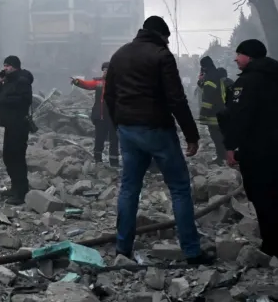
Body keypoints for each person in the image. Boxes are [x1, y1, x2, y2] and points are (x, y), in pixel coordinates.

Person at [105, 16, 213, 264]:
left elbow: (109, 96)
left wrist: (118, 124)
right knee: (179, 188)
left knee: (129, 188)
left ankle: (122, 248)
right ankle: (192, 251)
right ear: (162, 35)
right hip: (157, 129)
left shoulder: (119, 55)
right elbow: (176, 98)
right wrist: (191, 135)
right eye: (167, 38)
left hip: (128, 130)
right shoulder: (161, 55)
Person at [218, 39, 278, 260]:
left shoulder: (247, 82)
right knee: (273, 193)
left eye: (238, 54)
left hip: (255, 146)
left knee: (260, 195)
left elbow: (238, 117)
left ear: (249, 56)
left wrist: (229, 146)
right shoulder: (277, 80)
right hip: (276, 143)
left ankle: (272, 246)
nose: (235, 59)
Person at [0, 55, 35, 205]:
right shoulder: (8, 80)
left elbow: (25, 100)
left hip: (19, 125)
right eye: (4, 65)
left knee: (17, 158)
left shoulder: (22, 80)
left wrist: (5, 99)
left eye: (8, 66)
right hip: (10, 125)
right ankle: (15, 187)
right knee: (8, 157)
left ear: (15, 66)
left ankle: (21, 193)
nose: (5, 68)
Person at [71, 62, 119, 167]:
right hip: (100, 116)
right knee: (99, 139)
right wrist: (77, 82)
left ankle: (114, 163)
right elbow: (87, 84)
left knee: (114, 140)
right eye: (104, 70)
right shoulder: (99, 82)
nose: (105, 72)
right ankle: (98, 160)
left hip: (114, 118)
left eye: (107, 70)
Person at [197, 56, 229, 165]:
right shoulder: (216, 75)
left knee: (216, 136)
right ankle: (225, 156)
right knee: (222, 135)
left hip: (214, 112)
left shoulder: (210, 77)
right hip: (222, 110)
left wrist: (203, 114)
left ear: (204, 67)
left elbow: (208, 96)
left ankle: (222, 158)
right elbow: (206, 87)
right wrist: (200, 80)